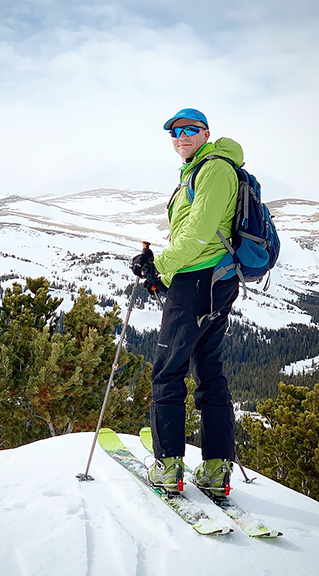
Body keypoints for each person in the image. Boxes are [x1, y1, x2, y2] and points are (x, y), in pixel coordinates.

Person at [131, 108, 242, 497]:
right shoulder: (200, 169)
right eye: (175, 131)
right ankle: (214, 470)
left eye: (190, 130)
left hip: (198, 280)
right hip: (216, 279)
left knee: (167, 371)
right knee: (209, 370)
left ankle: (167, 468)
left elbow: (197, 234)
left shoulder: (213, 169)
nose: (181, 136)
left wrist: (158, 267)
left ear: (206, 132)